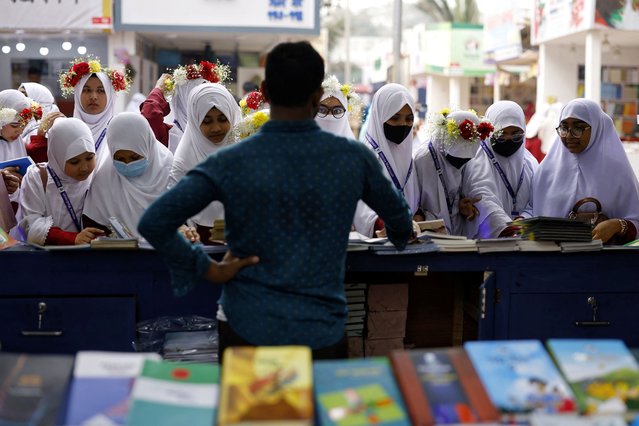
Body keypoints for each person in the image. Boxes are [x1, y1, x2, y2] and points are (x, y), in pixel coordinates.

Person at [138, 41, 413, 360]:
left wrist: (209, 270)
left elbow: (155, 222)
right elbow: (401, 223)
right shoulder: (352, 158)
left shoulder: (231, 161)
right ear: (316, 97)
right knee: (313, 411)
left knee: (251, 411)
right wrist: (395, 236)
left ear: (265, 92)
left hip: (247, 326)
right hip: (319, 327)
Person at [525, 98, 639, 244]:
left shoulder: (618, 173)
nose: (569, 135)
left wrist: (617, 225)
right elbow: (531, 212)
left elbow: (635, 222)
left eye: (578, 128)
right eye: (564, 128)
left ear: (597, 128)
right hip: (552, 259)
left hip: (603, 260)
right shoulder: (546, 171)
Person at [169, 82, 241, 244]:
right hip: (200, 245)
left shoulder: (244, 153)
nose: (216, 128)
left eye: (223, 119)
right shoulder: (183, 161)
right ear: (195, 122)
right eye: (207, 121)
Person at [83, 112, 174, 238]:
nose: (127, 164)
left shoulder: (169, 171)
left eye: (135, 157)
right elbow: (94, 227)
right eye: (119, 158)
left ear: (148, 146)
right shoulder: (104, 180)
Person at [17, 117, 104, 246]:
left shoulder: (97, 175)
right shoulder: (38, 177)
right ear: (58, 156)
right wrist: (71, 238)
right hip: (46, 259)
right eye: (74, 162)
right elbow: (30, 225)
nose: (84, 167)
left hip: (87, 256)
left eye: (89, 158)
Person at [463, 101, 538, 239]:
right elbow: (482, 197)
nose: (509, 139)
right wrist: (508, 229)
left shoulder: (530, 163)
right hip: (490, 242)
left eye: (516, 134)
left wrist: (524, 219)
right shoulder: (477, 161)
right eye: (501, 134)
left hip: (525, 237)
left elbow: (537, 200)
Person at [352, 83, 419, 237]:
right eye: (395, 118)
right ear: (379, 116)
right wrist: (383, 223)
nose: (403, 125)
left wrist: (418, 216)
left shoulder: (408, 158)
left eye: (409, 119)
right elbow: (360, 206)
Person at [414, 109, 492, 235]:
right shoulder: (423, 160)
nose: (460, 163)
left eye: (465, 159)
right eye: (455, 157)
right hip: (428, 235)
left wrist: (460, 204)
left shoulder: (468, 162)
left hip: (457, 232)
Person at [140, 61, 231, 153]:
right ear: (182, 99)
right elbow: (149, 119)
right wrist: (158, 90)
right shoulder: (171, 136)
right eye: (196, 98)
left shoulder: (225, 130)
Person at [58, 58, 130, 168]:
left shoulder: (121, 132)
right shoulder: (63, 131)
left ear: (110, 96)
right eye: (86, 90)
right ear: (78, 94)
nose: (93, 97)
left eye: (101, 91)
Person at [18, 82, 65, 163]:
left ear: (38, 102)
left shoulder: (54, 127)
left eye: (23, 98)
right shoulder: (17, 126)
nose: (17, 102)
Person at [314, 74, 362, 139]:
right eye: (322, 110)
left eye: (337, 111)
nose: (330, 117)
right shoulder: (301, 146)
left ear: (346, 112)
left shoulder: (354, 148)